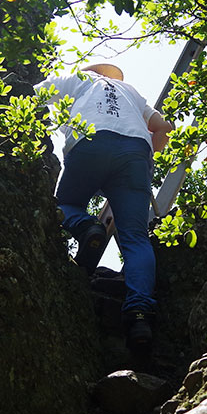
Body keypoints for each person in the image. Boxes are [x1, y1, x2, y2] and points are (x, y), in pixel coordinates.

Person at [34, 63, 174, 349]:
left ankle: (87, 228)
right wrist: (144, 158)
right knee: (135, 238)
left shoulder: (77, 78)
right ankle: (139, 315)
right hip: (136, 153)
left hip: (91, 142)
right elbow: (163, 128)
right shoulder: (131, 92)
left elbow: (32, 96)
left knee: (65, 204)